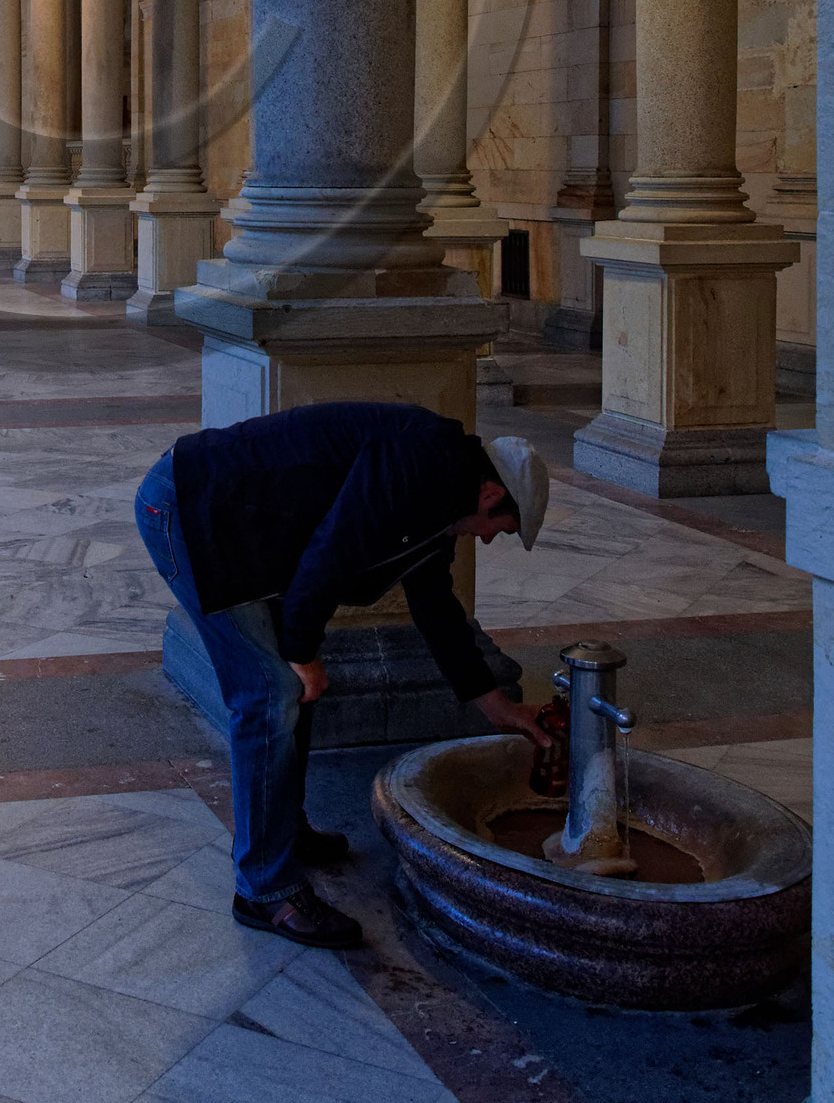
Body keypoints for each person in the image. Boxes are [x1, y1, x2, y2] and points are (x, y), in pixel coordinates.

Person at [135, 401, 549, 952]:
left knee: (292, 690)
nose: (490, 538)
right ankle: (265, 888)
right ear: (492, 495)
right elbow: (337, 545)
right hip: (190, 510)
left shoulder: (439, 496)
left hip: (239, 531)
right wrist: (301, 651)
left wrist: (496, 705)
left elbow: (436, 607)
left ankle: (283, 830)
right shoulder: (424, 461)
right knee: (270, 692)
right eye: (502, 528)